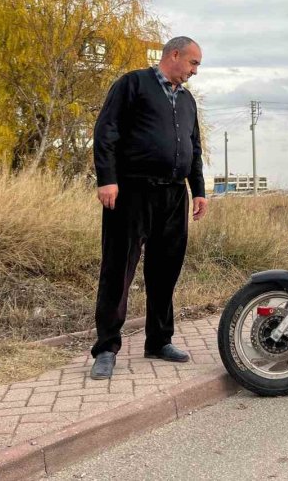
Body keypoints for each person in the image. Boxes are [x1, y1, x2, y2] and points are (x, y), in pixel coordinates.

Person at [89, 36, 208, 380]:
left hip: (173, 196)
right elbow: (106, 130)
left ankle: (158, 340)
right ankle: (106, 348)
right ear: (174, 55)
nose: (195, 72)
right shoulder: (133, 84)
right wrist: (107, 178)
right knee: (118, 269)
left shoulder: (187, 100)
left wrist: (197, 190)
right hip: (132, 191)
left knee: (165, 270)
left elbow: (194, 147)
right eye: (193, 63)